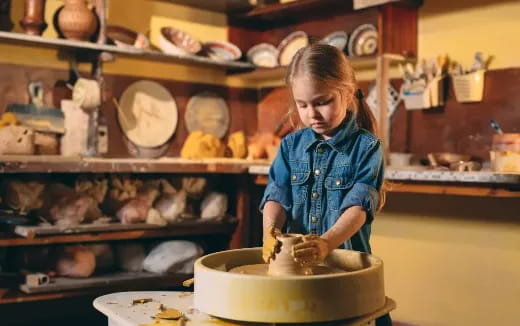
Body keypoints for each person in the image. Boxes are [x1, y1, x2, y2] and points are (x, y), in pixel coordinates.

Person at [260, 43, 391, 325]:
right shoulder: (290, 146)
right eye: (302, 104)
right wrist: (269, 230)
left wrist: (326, 244)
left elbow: (358, 208)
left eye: (322, 102)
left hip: (347, 272)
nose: (312, 114)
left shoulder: (367, 148)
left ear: (346, 93)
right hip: (297, 277)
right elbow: (276, 196)